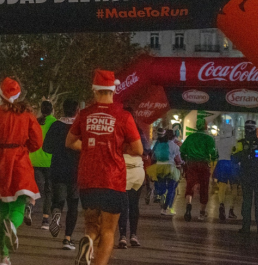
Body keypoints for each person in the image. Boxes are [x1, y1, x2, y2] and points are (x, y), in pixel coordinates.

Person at [65, 70, 143, 265]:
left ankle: (89, 241)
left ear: (95, 91)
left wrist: (91, 148)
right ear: (113, 90)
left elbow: (70, 142)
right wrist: (118, 147)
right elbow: (138, 149)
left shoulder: (84, 114)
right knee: (108, 231)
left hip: (88, 179)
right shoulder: (123, 116)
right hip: (113, 180)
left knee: (91, 225)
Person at [0, 77, 43, 265]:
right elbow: (37, 142)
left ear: (0, 95)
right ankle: (13, 225)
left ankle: (4, 256)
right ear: (19, 95)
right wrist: (23, 146)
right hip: (19, 161)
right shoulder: (27, 115)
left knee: (2, 211)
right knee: (18, 207)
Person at [43, 99, 80, 250]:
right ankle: (68, 239)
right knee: (73, 205)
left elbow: (46, 147)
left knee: (58, 200)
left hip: (57, 168)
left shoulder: (56, 125)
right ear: (77, 109)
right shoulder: (79, 127)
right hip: (75, 170)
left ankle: (56, 212)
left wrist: (59, 151)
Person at [233, 120, 258, 235]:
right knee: (256, 201)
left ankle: (250, 227)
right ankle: (257, 227)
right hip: (255, 176)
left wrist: (257, 153)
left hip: (251, 176)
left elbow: (234, 159)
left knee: (250, 201)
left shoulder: (243, 143)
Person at [180, 118, 218, 222]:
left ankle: (188, 205)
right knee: (204, 187)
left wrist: (185, 158)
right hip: (203, 164)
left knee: (190, 185)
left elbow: (182, 150)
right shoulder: (209, 138)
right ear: (205, 126)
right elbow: (213, 152)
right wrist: (214, 159)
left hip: (191, 163)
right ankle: (201, 213)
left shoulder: (190, 137)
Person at [26, 101, 55, 229]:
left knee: (35, 187)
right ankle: (45, 220)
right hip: (49, 161)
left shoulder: (34, 121)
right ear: (52, 110)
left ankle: (30, 205)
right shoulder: (55, 122)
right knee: (48, 191)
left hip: (33, 159)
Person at [146, 129, 182, 216]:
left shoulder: (158, 144)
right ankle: (166, 208)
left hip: (159, 167)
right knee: (171, 188)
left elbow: (153, 156)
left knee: (161, 186)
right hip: (170, 167)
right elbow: (178, 160)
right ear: (174, 136)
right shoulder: (175, 146)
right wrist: (182, 163)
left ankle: (159, 195)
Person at [213, 122, 239, 222]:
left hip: (221, 163)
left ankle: (221, 204)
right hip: (232, 164)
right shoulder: (234, 140)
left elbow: (215, 153)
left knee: (222, 187)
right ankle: (231, 210)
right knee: (234, 187)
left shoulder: (218, 140)